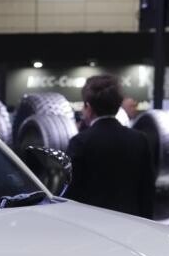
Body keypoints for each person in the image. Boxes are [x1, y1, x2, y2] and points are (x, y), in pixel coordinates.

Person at [66, 74, 156, 218]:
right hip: (132, 224)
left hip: (91, 224)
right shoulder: (139, 140)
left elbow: (72, 193)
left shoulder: (80, 142)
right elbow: (147, 191)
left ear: (88, 107)